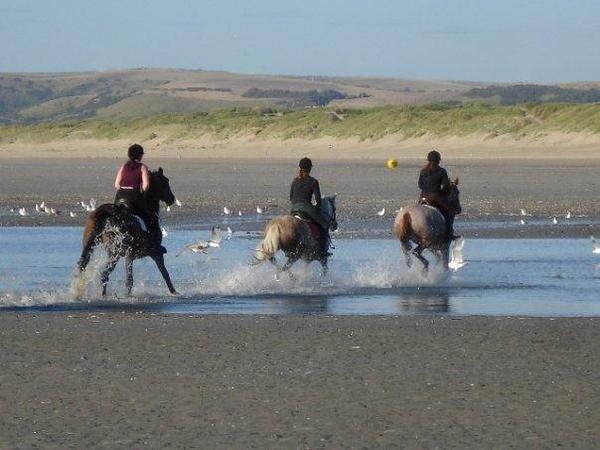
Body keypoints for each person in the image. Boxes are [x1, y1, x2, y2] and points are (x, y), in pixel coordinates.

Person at [114, 143, 164, 253]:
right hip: (134, 196)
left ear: (129, 155)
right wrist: (142, 195)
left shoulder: (123, 167)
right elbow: (146, 186)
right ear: (140, 156)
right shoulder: (143, 167)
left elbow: (116, 184)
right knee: (151, 217)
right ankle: (154, 245)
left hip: (119, 196)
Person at [289, 157, 330, 256]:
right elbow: (318, 199)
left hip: (293, 209)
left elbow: (291, 197)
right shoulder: (313, 181)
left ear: (299, 167)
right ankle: (323, 251)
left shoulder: (294, 181)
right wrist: (317, 208)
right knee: (324, 225)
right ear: (310, 168)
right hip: (306, 208)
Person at [418, 150, 457, 240]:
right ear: (438, 160)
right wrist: (441, 192)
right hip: (435, 197)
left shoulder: (423, 171)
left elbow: (420, 185)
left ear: (428, 160)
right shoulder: (441, 171)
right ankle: (449, 233)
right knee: (449, 211)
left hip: (423, 197)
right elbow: (446, 186)